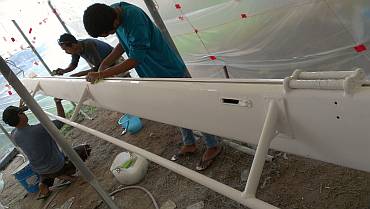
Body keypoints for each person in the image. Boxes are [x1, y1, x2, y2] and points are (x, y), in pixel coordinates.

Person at [83, 2, 221, 170]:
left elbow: (135, 58)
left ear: (114, 21)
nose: (108, 35)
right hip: (152, 73)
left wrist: (102, 74)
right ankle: (189, 143)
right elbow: (123, 44)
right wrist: (104, 63)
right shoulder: (111, 14)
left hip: (168, 69)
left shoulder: (133, 17)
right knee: (174, 108)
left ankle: (213, 145)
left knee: (190, 107)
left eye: (107, 32)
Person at [2, 99, 91, 199]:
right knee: (85, 148)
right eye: (21, 112)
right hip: (56, 166)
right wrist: (58, 102)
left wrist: (20, 110)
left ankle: (44, 182)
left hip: (39, 169)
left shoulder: (14, 134)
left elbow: (18, 120)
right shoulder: (39, 130)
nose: (24, 112)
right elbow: (60, 120)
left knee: (47, 172)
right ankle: (65, 175)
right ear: (20, 116)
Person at [54, 33, 129, 77]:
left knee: (125, 82)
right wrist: (64, 71)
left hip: (116, 61)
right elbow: (73, 64)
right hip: (105, 65)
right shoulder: (75, 49)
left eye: (66, 49)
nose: (66, 52)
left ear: (73, 45)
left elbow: (98, 67)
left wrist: (78, 75)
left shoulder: (89, 45)